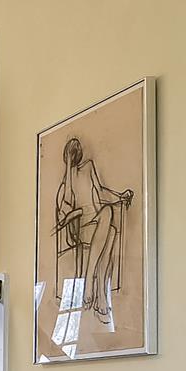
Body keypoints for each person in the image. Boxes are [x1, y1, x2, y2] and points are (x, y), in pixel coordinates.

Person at [51, 136, 133, 324]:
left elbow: (100, 190)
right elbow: (66, 210)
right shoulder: (66, 184)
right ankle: (100, 295)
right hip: (82, 228)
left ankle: (91, 284)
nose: (76, 154)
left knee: (108, 219)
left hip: (99, 220)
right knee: (110, 232)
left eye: (76, 151)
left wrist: (120, 195)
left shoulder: (88, 167)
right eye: (72, 153)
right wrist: (69, 172)